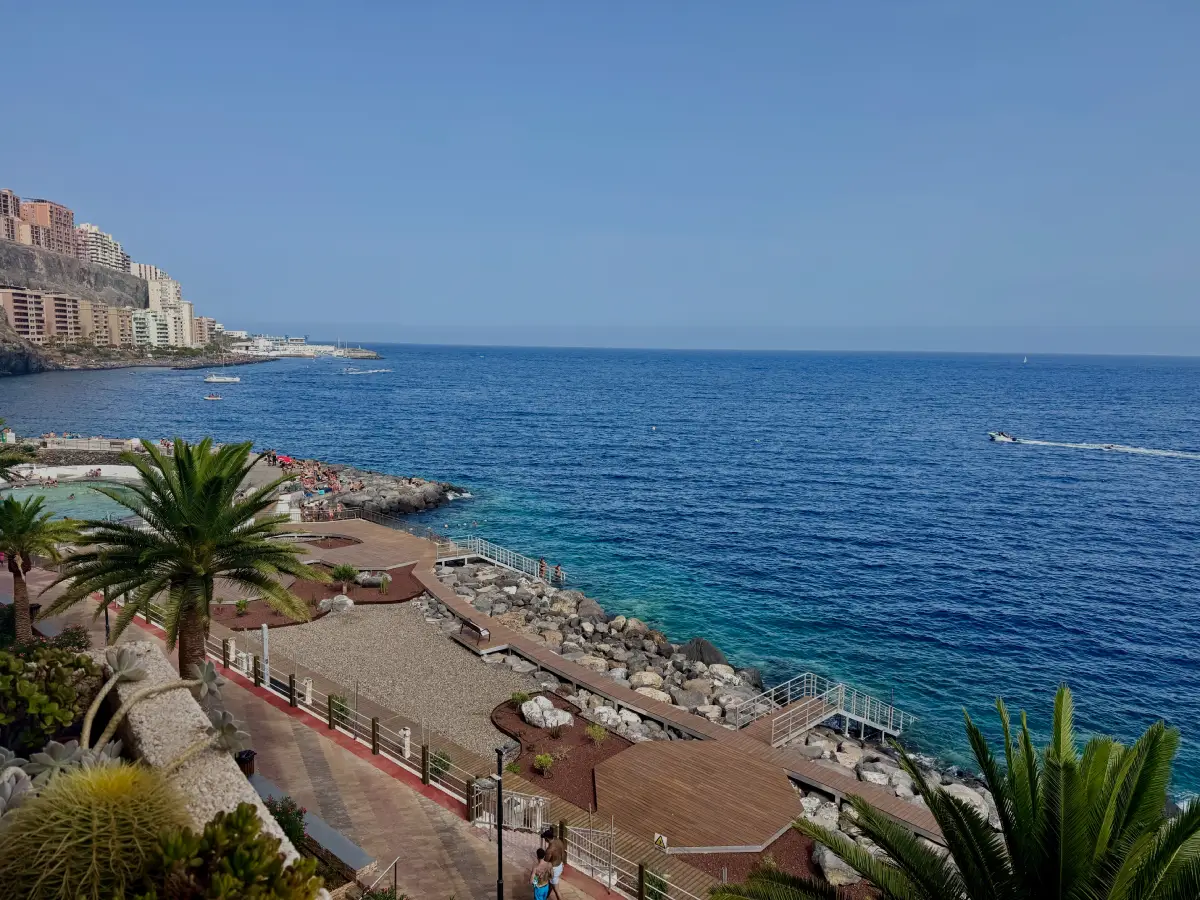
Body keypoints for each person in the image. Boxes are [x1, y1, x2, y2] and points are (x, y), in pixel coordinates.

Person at [542, 828, 566, 900]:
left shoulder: (549, 850)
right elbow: (563, 853)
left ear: (547, 838)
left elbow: (545, 862)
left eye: (544, 838)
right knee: (550, 884)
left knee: (557, 890)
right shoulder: (559, 841)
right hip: (560, 865)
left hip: (554, 870)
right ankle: (545, 897)